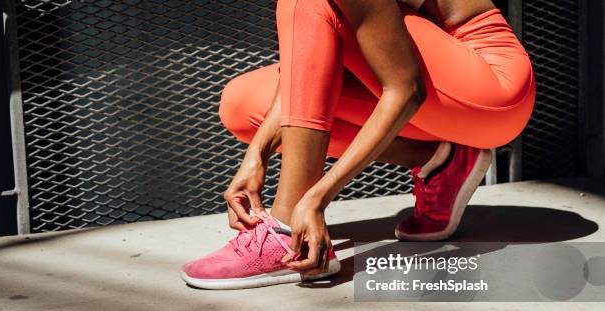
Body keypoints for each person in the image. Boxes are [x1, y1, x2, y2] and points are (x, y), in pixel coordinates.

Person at [182, 0, 536, 289]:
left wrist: (318, 197)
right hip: (442, 89)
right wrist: (256, 155)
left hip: (493, 88)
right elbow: (305, 66)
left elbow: (405, 88)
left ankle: (285, 230)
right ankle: (444, 159)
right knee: (244, 105)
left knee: (309, 2)